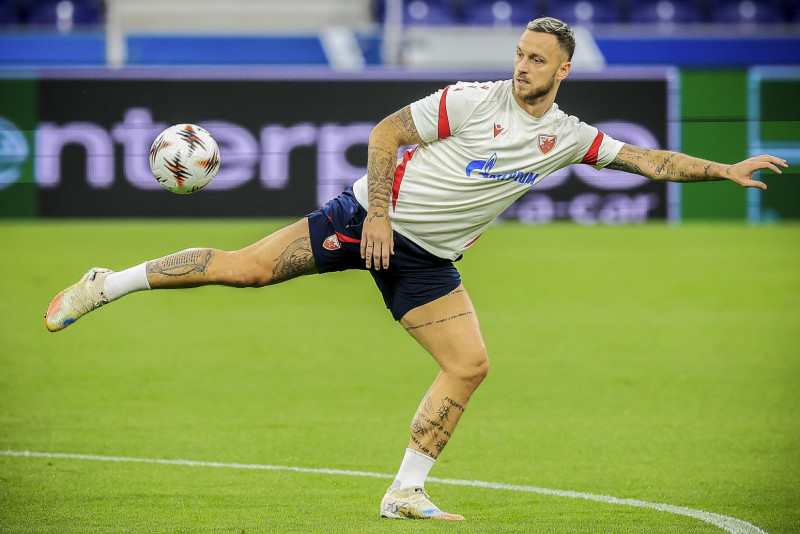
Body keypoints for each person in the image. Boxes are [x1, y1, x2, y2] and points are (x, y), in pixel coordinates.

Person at [44, 17, 787, 520]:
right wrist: (375, 213)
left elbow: (647, 160)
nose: (523, 66)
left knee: (469, 365)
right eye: (520, 54)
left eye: (537, 59)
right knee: (247, 270)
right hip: (368, 222)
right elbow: (385, 133)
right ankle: (108, 284)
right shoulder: (471, 101)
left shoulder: (567, 136)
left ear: (564, 69)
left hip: (428, 262)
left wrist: (722, 170)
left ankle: (404, 492)